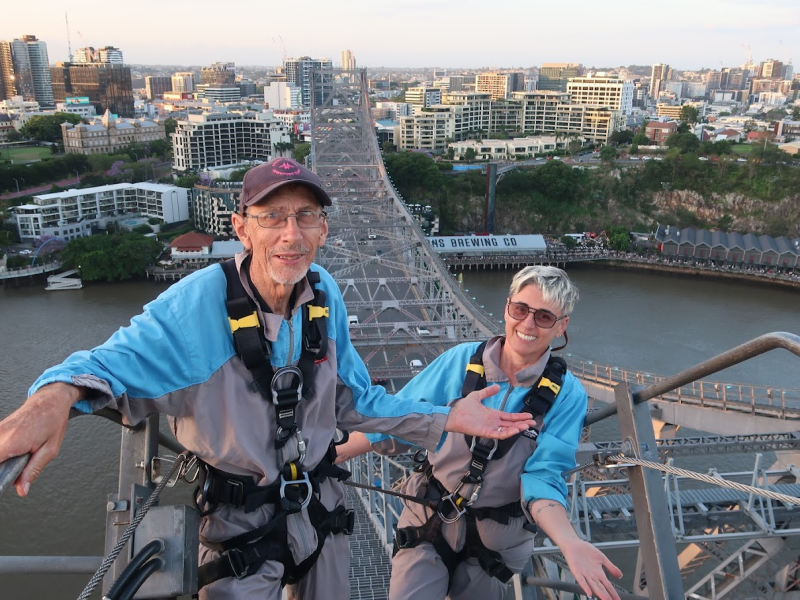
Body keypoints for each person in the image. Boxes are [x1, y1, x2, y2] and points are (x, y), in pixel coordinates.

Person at [0, 157, 535, 600]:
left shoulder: (323, 293)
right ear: (241, 228)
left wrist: (446, 419)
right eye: (272, 216)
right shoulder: (197, 305)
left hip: (321, 510)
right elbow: (106, 363)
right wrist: (52, 398)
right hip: (240, 525)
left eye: (306, 216)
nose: (291, 233)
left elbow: (351, 400)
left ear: (323, 229)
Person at [336, 266, 622, 600]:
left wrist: (570, 541)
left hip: (496, 540)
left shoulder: (567, 395)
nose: (528, 324)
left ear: (562, 327)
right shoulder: (460, 361)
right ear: (507, 308)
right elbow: (399, 418)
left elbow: (545, 477)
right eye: (520, 310)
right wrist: (332, 454)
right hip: (429, 514)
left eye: (544, 317)